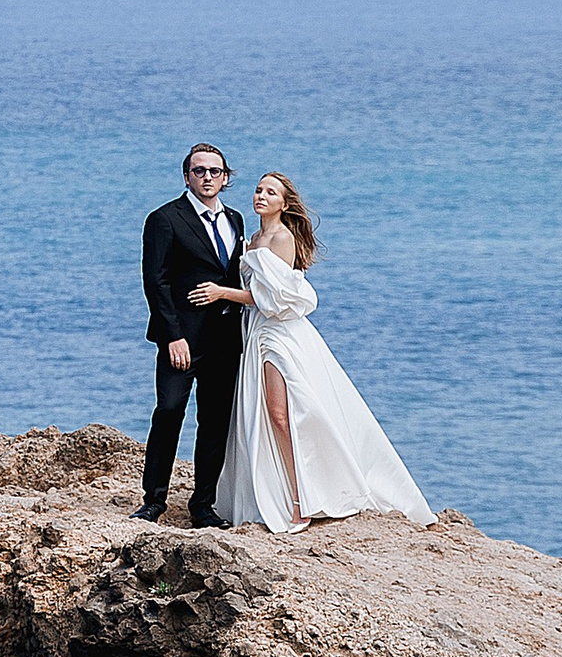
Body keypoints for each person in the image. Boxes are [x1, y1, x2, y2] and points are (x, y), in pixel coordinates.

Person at [190, 172, 435, 534]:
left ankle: (300, 500)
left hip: (278, 333)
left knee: (280, 414)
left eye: (270, 192)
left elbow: (275, 300)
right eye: (259, 190)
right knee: (260, 414)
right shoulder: (253, 237)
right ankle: (277, 492)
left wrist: (222, 294)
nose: (261, 196)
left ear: (284, 204)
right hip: (254, 331)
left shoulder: (281, 238)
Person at [138, 145, 245, 526]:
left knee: (215, 421)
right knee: (168, 413)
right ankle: (154, 500)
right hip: (180, 340)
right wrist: (172, 336)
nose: (207, 177)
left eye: (215, 171)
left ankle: (203, 505)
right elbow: (156, 280)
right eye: (199, 171)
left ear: (225, 177)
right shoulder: (164, 219)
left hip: (225, 341)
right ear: (187, 177)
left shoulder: (235, 219)